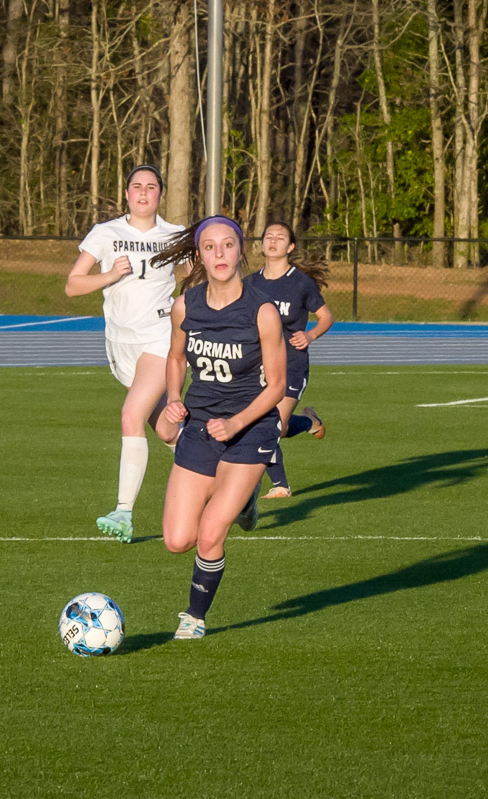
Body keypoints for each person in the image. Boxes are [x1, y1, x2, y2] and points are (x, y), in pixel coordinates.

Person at [152, 215, 286, 640]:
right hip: (200, 427)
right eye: (209, 247)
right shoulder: (185, 305)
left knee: (210, 535)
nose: (219, 254)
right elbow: (175, 358)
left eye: (227, 245)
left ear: (240, 250)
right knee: (177, 540)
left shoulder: (262, 311)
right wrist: (174, 398)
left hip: (251, 428)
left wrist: (238, 422)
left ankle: (194, 617)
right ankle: (244, 503)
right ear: (199, 256)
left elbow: (278, 385)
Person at [66, 165, 184, 543]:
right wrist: (109, 276)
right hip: (121, 345)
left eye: (151, 187)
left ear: (160, 195)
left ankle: (123, 512)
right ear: (127, 194)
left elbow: (196, 272)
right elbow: (72, 285)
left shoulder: (175, 235)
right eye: (137, 187)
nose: (144, 193)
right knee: (166, 429)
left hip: (160, 339)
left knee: (130, 415)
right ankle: (236, 484)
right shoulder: (106, 233)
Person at [245, 221, 334, 498]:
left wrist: (310, 336)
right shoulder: (250, 284)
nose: (272, 241)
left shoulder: (300, 282)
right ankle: (307, 426)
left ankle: (281, 481)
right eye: (268, 236)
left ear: (290, 246)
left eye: (280, 237)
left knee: (275, 426)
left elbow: (326, 316)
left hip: (292, 364)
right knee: (269, 425)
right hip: (258, 366)